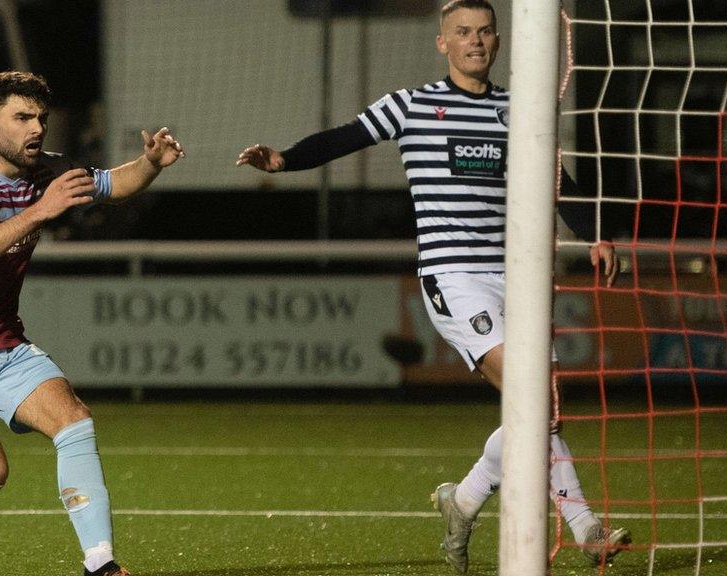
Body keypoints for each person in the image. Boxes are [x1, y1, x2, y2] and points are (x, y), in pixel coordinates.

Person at [236, 0, 630, 571]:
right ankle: (586, 527)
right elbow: (346, 137)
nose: (476, 41)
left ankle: (463, 502)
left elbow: (555, 179)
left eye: (485, 31)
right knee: (530, 397)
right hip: (454, 276)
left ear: (497, 41)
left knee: (541, 414)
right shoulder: (413, 105)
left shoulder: (516, 109)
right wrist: (284, 160)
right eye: (463, 32)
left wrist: (596, 234)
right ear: (442, 43)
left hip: (518, 276)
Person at [0, 71, 184, 576]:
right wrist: (38, 212)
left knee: (76, 422)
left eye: (41, 118)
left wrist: (151, 163)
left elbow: (116, 183)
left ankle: (101, 564)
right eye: (21, 117)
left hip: (4, 345)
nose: (37, 128)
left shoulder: (48, 170)